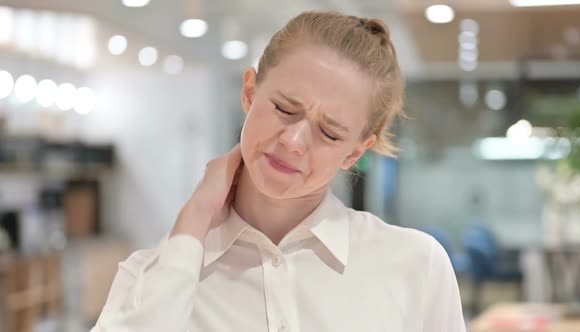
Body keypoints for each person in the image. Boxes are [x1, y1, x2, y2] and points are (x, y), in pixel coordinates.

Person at [91, 11, 465, 332]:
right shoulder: (148, 278)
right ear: (250, 93)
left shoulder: (416, 265)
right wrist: (193, 220)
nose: (295, 141)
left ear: (354, 152)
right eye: (285, 109)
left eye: (329, 132)